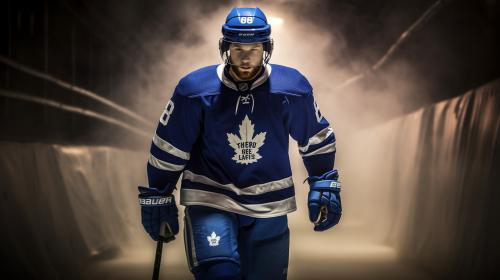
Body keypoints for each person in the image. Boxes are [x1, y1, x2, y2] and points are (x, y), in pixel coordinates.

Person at [138, 7, 342, 280]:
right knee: (220, 274)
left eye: (254, 49)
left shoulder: (291, 88)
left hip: (270, 204)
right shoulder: (194, 90)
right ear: (225, 48)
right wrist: (159, 193)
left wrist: (323, 181)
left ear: (266, 48)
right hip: (211, 200)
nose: (246, 59)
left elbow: (315, 138)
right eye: (238, 50)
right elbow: (170, 147)